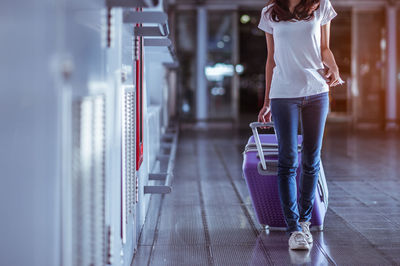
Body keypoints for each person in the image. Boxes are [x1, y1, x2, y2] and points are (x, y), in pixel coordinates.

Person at [257, 0, 340, 250]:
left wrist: (333, 65)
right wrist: (267, 101)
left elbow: (324, 47)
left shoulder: (321, 5)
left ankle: (304, 222)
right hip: (283, 93)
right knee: (288, 160)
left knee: (311, 159)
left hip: (317, 91)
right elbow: (271, 60)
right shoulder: (270, 13)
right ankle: (293, 229)